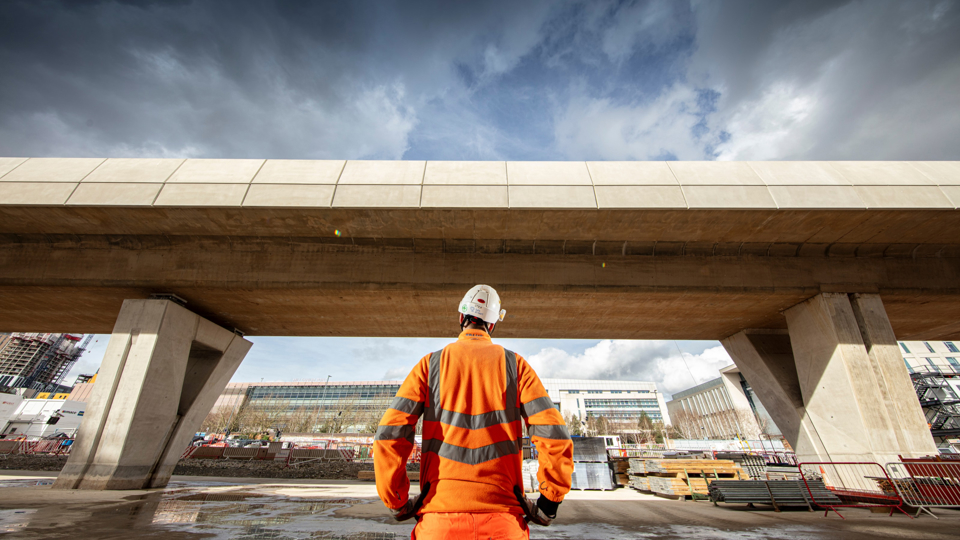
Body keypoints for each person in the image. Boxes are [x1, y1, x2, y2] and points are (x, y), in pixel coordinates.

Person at [374, 284, 574, 539]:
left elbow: (389, 435)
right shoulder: (516, 366)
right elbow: (554, 435)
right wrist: (548, 504)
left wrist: (398, 501)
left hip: (439, 523)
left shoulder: (429, 365)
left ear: (461, 318)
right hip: (503, 523)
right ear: (492, 325)